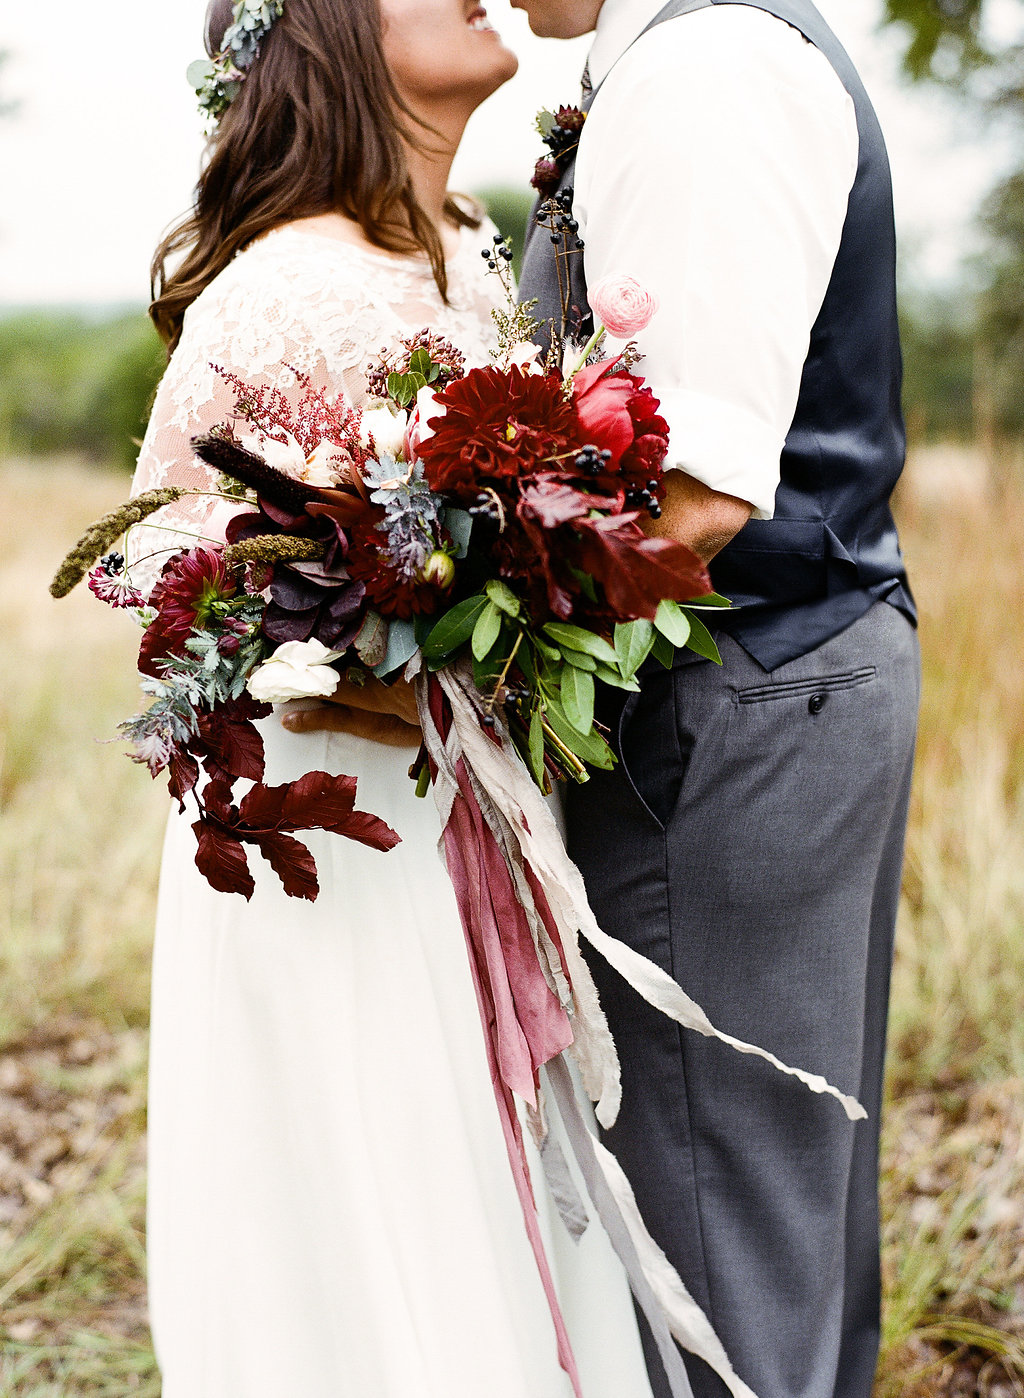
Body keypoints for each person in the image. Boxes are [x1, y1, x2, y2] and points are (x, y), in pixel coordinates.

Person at [129, 1, 656, 1393]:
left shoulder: (471, 251)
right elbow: (178, 591)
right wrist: (342, 639)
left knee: (483, 1221)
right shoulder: (285, 288)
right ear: (325, 33)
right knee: (386, 1238)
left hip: (452, 817)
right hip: (333, 854)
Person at [513, 1, 922, 1396]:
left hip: (732, 696)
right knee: (771, 1204)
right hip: (786, 673)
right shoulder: (673, 56)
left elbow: (688, 501)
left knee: (714, 1233)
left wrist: (466, 672)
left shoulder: (705, 71)